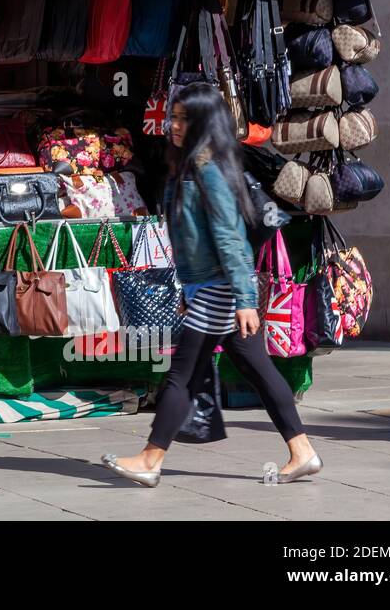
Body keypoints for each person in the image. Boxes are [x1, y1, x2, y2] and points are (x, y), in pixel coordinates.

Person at [102, 82, 322, 487]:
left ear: (205, 121)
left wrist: (243, 299)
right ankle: (303, 451)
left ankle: (151, 459)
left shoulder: (208, 172)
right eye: (175, 116)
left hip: (221, 290)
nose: (174, 125)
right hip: (209, 289)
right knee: (257, 369)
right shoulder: (192, 166)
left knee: (181, 375)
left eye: (185, 118)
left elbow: (230, 239)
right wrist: (191, 291)